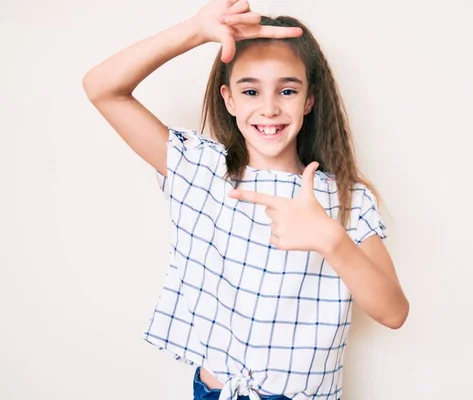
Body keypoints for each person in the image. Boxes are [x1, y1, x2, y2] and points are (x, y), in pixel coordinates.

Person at [82, 0, 409, 399]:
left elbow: (393, 312)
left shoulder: (346, 199)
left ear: (309, 100)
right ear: (229, 99)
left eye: (287, 90)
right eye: (250, 90)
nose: (269, 108)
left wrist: (330, 239)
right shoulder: (199, 168)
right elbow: (102, 89)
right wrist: (194, 31)